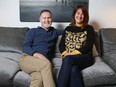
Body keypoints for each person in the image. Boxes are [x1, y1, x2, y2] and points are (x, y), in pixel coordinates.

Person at [19, 9, 63, 87]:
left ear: (51, 19)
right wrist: (38, 55)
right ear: (40, 19)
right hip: (27, 59)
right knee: (46, 64)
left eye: (49, 18)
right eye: (44, 18)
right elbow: (25, 47)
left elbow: (69, 31)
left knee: (38, 78)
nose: (47, 20)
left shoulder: (54, 32)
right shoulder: (33, 31)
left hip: (40, 64)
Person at [57, 5, 95, 87]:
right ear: (74, 14)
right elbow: (61, 45)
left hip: (85, 58)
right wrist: (65, 53)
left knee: (67, 59)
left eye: (82, 14)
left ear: (85, 16)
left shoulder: (89, 28)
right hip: (69, 59)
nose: (79, 16)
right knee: (74, 70)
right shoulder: (68, 29)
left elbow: (88, 46)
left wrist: (71, 54)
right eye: (78, 13)